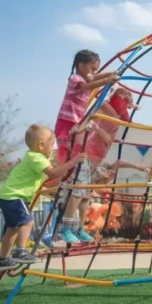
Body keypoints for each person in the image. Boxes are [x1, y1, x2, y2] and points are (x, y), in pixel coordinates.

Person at [0, 124, 87, 271]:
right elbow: (54, 173)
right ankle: (20, 251)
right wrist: (74, 161)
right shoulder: (36, 158)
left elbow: (52, 170)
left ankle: (3, 259)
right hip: (14, 196)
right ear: (42, 145)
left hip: (8, 196)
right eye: (52, 145)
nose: (53, 148)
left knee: (13, 228)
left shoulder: (34, 156)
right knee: (27, 222)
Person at [53, 49, 119, 243]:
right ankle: (66, 227)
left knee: (84, 187)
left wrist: (112, 74)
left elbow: (95, 79)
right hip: (67, 128)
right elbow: (89, 84)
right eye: (91, 68)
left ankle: (79, 227)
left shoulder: (88, 78)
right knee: (76, 181)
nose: (93, 72)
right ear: (81, 66)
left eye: (95, 69)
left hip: (77, 129)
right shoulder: (75, 79)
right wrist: (107, 79)